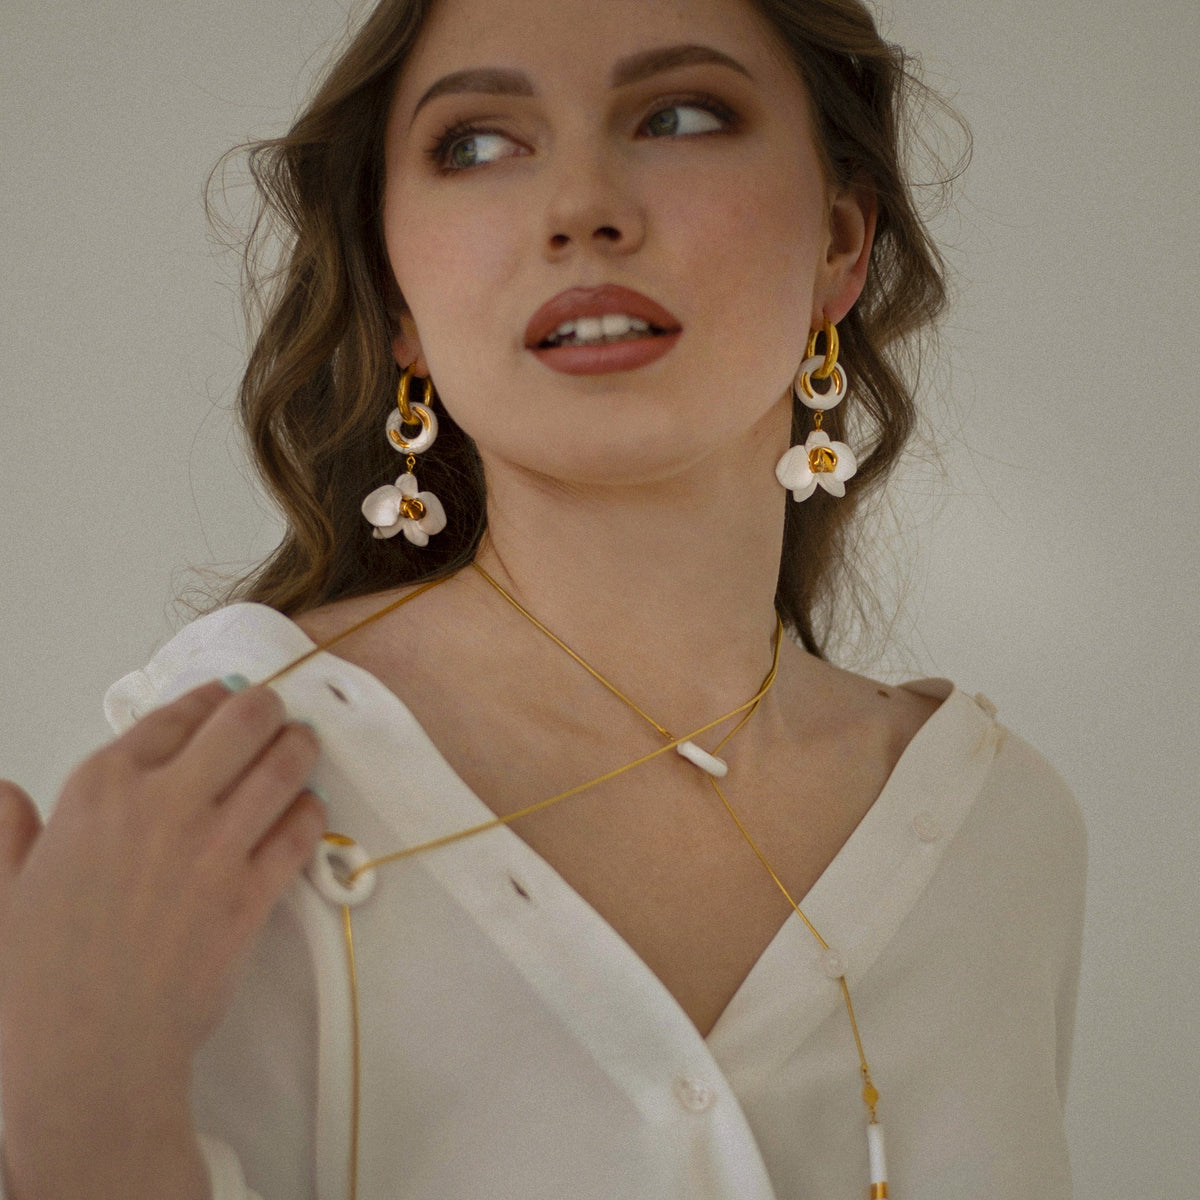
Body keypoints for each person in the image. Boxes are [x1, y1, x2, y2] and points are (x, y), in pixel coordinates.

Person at [0, 0, 1087, 1196]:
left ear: (840, 242)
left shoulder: (1000, 835)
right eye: (474, 144)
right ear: (398, 297)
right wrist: (83, 1120)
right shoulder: (238, 770)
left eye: (680, 117)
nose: (580, 207)